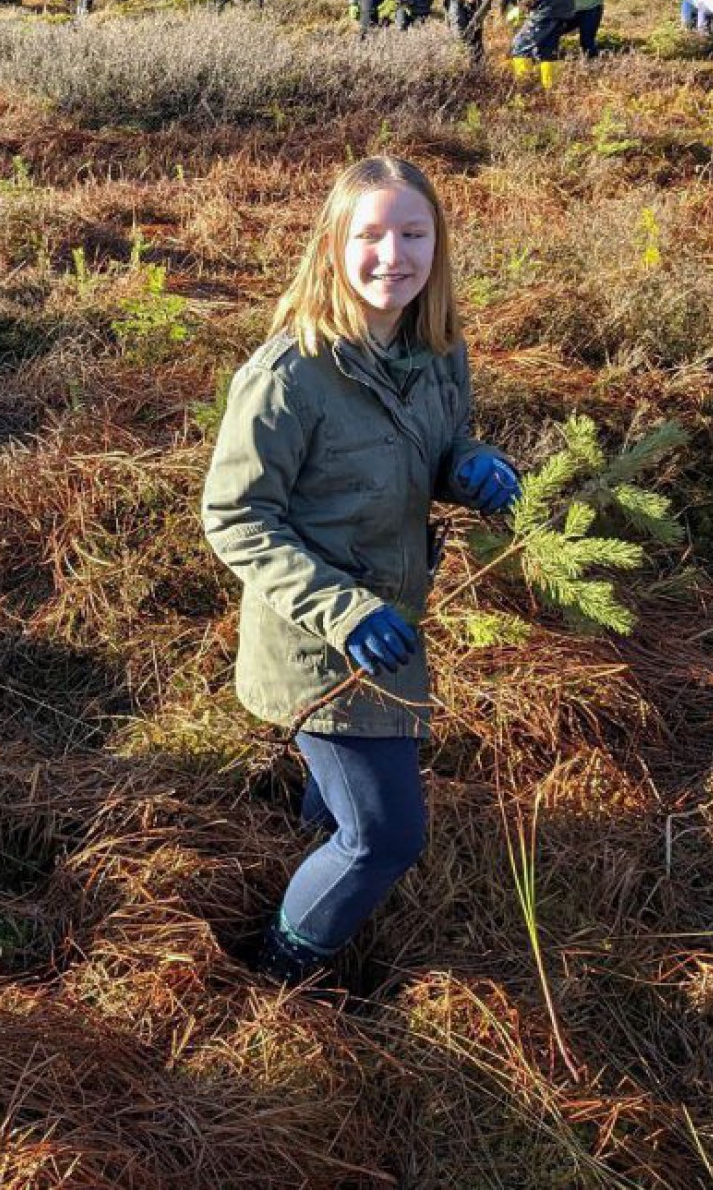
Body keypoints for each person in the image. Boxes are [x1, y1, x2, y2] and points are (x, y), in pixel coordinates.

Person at [201, 156, 520, 987]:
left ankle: (309, 845)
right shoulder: (288, 376)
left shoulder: (436, 351)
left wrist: (470, 467)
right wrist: (343, 613)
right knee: (385, 837)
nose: (393, 256)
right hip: (318, 645)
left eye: (413, 233)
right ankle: (282, 972)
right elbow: (235, 517)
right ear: (333, 245)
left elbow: (439, 443)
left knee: (347, 800)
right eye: (370, 235)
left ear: (437, 245)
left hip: (394, 620)